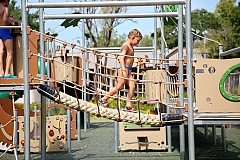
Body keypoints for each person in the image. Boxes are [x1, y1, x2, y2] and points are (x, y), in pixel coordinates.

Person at [98, 29, 142, 112]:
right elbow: (121, 58)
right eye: (138, 40)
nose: (138, 43)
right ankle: (104, 99)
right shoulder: (126, 46)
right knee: (120, 86)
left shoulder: (130, 46)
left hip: (128, 69)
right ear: (133, 37)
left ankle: (128, 105)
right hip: (123, 69)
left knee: (132, 86)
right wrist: (123, 69)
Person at [0, 0, 16, 78]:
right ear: (5, 1)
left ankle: (1, 72)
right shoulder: (5, 9)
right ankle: (7, 73)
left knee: (0, 52)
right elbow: (4, 21)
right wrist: (10, 21)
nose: (8, 3)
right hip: (4, 30)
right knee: (10, 52)